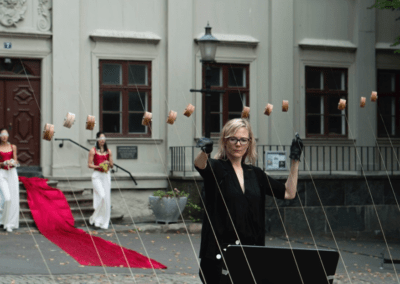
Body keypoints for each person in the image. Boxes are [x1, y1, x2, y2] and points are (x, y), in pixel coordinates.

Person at [194, 118, 303, 284]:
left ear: (249, 142)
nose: (238, 144)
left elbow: (289, 193)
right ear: (225, 141)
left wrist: (295, 159)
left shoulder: (255, 173)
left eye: (243, 139)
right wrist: (205, 151)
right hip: (219, 253)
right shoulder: (216, 168)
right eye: (233, 139)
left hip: (251, 251)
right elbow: (200, 165)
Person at [87, 131, 114, 229]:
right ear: (97, 140)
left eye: (104, 138)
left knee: (106, 199)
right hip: (97, 175)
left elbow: (112, 165)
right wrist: (98, 166)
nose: (102, 140)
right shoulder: (93, 151)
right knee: (101, 196)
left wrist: (108, 163)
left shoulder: (108, 151)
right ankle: (95, 218)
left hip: (106, 175)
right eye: (100, 138)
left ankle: (102, 221)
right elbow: (89, 165)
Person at [0, 128, 19, 232]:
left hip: (12, 173)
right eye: (2, 134)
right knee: (7, 198)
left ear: (8, 136)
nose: (4, 136)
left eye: (5, 134)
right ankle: (2, 220)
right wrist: (4, 163)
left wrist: (13, 162)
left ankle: (8, 223)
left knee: (13, 197)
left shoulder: (13, 147)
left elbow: (16, 160)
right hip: (2, 173)